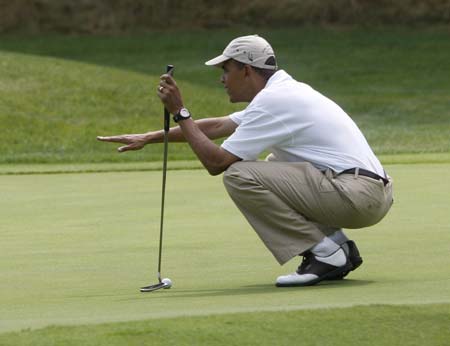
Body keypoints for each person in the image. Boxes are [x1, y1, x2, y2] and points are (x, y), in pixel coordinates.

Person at [97, 34, 393, 287]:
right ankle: (337, 246)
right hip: (369, 193)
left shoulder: (273, 101)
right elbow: (217, 126)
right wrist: (149, 137)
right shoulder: (283, 92)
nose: (222, 78)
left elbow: (217, 163)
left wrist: (180, 111)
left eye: (226, 69)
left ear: (247, 70)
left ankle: (324, 253)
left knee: (239, 174)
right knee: (273, 160)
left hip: (356, 196)